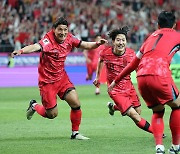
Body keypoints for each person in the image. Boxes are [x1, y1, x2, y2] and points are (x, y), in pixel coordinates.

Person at [11, 17, 107, 140]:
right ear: (54, 30)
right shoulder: (47, 41)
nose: (63, 32)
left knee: (76, 103)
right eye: (60, 30)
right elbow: (35, 46)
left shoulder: (69, 38)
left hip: (62, 78)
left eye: (65, 30)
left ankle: (75, 133)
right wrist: (21, 51)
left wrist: (97, 44)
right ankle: (34, 105)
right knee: (52, 114)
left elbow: (84, 45)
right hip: (47, 82)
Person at [108, 11, 180, 154]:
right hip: (160, 73)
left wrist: (115, 80)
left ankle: (159, 147)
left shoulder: (150, 38)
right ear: (175, 25)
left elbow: (134, 63)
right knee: (177, 106)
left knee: (158, 110)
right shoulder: (177, 35)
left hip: (141, 77)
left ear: (158, 25)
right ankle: (175, 146)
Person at [93, 26, 154, 135]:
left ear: (126, 41)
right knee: (134, 115)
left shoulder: (131, 54)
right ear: (113, 41)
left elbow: (138, 68)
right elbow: (100, 60)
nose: (121, 43)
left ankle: (113, 107)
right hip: (114, 90)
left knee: (138, 111)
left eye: (123, 40)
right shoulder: (105, 53)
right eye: (118, 40)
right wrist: (97, 77)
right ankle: (157, 133)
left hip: (129, 87)